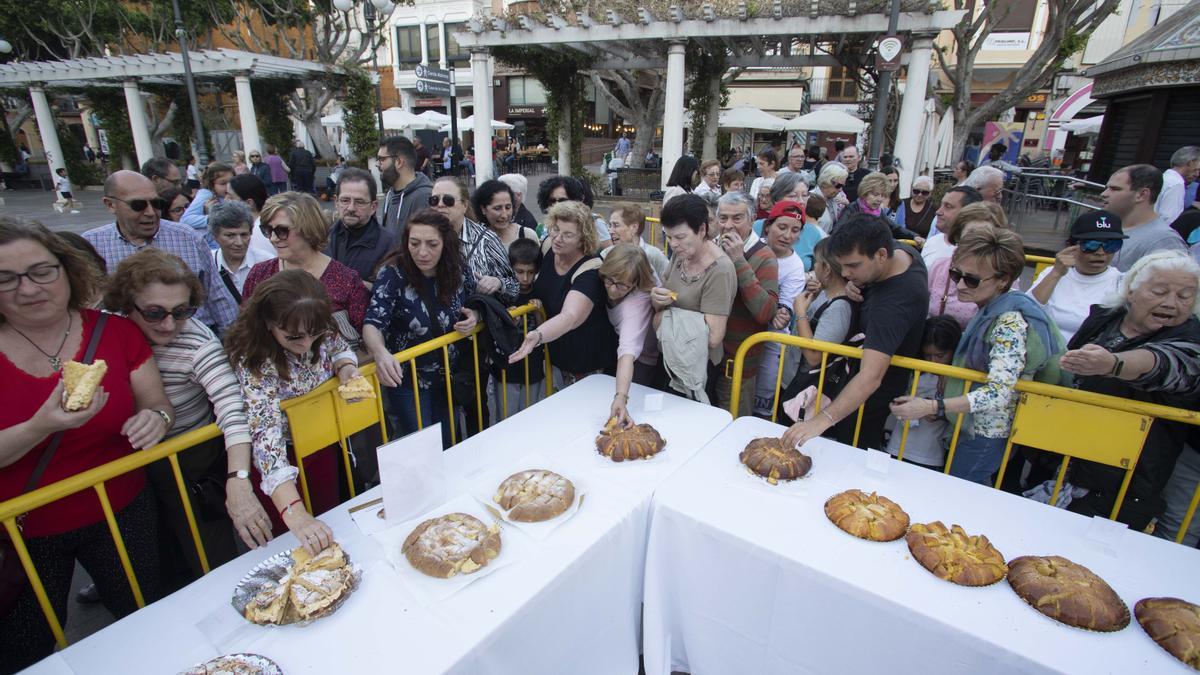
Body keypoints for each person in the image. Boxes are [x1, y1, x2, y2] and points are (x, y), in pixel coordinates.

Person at [0, 218, 171, 671]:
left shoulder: (115, 332)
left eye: (41, 270)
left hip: (121, 511)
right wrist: (40, 426)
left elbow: (157, 403)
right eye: (6, 277)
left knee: (142, 618)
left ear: (66, 270)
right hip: (21, 532)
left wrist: (155, 420)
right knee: (26, 647)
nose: (28, 288)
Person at [102, 249, 268, 584]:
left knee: (209, 555)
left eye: (182, 311)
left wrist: (238, 480)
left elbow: (233, 408)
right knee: (151, 558)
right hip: (125, 464)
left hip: (188, 462)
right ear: (125, 302)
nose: (169, 324)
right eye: (153, 313)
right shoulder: (107, 328)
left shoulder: (198, 344)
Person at [892, 228, 1065, 485]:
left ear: (1003, 280)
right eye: (956, 274)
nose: (960, 285)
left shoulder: (1009, 322)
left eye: (971, 280)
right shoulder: (991, 310)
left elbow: (998, 392)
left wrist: (932, 406)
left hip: (985, 434)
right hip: (971, 427)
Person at [1057, 250, 1200, 535]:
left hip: (1125, 479)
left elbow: (1166, 363)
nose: (1171, 303)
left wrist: (1113, 363)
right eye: (1160, 291)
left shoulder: (1190, 338)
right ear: (1132, 290)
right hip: (1066, 456)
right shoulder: (1105, 317)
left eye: (1185, 296)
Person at [226, 270, 362, 546]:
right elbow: (266, 435)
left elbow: (339, 348)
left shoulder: (320, 325)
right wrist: (294, 512)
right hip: (281, 457)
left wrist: (346, 367)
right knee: (293, 539)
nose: (306, 344)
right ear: (267, 323)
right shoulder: (255, 360)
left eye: (313, 334)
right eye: (293, 337)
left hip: (320, 442)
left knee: (330, 519)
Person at [782, 214, 929, 451]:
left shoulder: (894, 305)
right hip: (848, 385)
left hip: (866, 401)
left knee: (852, 455)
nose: (846, 273)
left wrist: (820, 422)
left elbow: (870, 376)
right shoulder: (897, 253)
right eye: (842, 267)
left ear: (881, 255)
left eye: (853, 266)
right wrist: (858, 281)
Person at [364, 209, 480, 448]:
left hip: (448, 375)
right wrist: (380, 352)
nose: (422, 252)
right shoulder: (392, 273)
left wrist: (475, 316)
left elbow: (475, 300)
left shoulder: (458, 267)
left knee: (449, 443)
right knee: (422, 448)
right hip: (409, 381)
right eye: (414, 243)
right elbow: (373, 322)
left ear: (445, 244)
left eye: (432, 244)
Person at [84, 171, 239, 334]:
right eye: (138, 205)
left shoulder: (188, 237)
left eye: (157, 204)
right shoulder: (92, 244)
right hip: (125, 345)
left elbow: (218, 297)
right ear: (110, 204)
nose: (150, 212)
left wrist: (232, 343)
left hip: (193, 340)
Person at [507, 201, 616, 388]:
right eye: (555, 229)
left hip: (587, 361)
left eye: (568, 235)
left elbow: (570, 316)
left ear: (583, 239)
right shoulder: (548, 246)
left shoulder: (590, 268)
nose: (558, 238)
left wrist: (537, 335)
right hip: (556, 351)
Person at [244, 192, 369, 343]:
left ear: (308, 229)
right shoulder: (259, 274)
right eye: (267, 230)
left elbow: (364, 341)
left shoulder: (347, 280)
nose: (273, 238)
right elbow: (247, 329)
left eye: (282, 231)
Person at [712, 191, 780, 415]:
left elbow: (765, 311)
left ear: (752, 220)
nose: (728, 225)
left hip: (737, 367)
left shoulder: (765, 256)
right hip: (705, 362)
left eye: (737, 218)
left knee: (732, 429)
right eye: (723, 218)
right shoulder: (709, 248)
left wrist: (739, 260)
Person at [1028, 210, 1126, 343]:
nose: (1101, 252)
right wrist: (1056, 273)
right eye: (1091, 245)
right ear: (1072, 246)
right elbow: (1027, 310)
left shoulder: (1122, 283)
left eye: (1111, 245)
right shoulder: (1052, 272)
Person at [753, 201, 808, 417]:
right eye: (782, 227)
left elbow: (786, 304)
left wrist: (782, 313)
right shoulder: (753, 248)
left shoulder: (795, 266)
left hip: (771, 341)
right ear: (768, 226)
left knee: (761, 404)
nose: (787, 235)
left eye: (795, 230)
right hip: (741, 332)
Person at [885, 315, 961, 470]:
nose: (933, 362)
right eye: (928, 355)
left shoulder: (957, 379)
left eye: (940, 356)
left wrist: (936, 410)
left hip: (930, 455)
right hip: (896, 447)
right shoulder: (914, 371)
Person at [597, 244, 660, 427]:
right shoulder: (615, 269)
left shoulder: (635, 306)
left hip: (642, 360)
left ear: (636, 283)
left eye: (622, 285)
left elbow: (627, 354)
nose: (613, 290)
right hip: (619, 348)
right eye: (609, 280)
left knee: (639, 414)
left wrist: (621, 397)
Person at [429, 176, 518, 304]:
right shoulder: (422, 236)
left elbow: (514, 288)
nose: (440, 205)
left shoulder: (487, 240)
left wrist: (498, 283)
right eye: (434, 200)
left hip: (476, 321)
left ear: (464, 205)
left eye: (448, 200)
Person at [926, 201, 1009, 328]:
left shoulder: (1001, 276)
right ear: (959, 236)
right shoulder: (940, 267)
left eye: (985, 236)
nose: (978, 243)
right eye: (972, 235)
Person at [490, 238, 546, 423]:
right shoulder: (504, 293)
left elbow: (543, 327)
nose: (525, 278)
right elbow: (497, 330)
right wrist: (508, 319)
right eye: (520, 272)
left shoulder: (539, 290)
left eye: (530, 272)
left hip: (533, 362)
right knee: (506, 417)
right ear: (511, 268)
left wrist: (538, 311)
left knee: (531, 415)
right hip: (508, 364)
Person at [1104, 164, 1187, 271]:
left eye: (1115, 189)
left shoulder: (1164, 241)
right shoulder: (1104, 225)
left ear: (1142, 194)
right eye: (1106, 188)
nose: (1104, 194)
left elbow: (1170, 285)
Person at [325, 167, 395, 285]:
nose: (351, 208)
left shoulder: (390, 245)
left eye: (359, 202)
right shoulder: (323, 238)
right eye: (345, 200)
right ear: (336, 202)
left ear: (373, 206)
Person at [210, 201, 273, 304]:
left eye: (244, 235)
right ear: (215, 236)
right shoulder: (208, 264)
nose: (239, 243)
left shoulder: (267, 262)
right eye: (230, 236)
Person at [377, 135, 434, 238]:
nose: (378, 164)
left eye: (382, 159)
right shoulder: (390, 195)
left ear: (399, 162)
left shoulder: (423, 197)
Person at [834, 172, 918, 240]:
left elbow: (895, 228)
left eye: (882, 195)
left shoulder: (879, 212)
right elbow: (836, 233)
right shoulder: (851, 209)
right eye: (875, 194)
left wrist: (915, 236)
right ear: (864, 193)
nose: (879, 199)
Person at [536, 175, 612, 248]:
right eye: (552, 200)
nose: (557, 205)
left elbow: (609, 253)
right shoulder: (548, 225)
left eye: (563, 200)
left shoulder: (594, 223)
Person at [604, 202, 669, 282]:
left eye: (616, 225)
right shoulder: (606, 254)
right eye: (610, 225)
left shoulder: (654, 256)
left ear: (634, 227)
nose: (610, 231)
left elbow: (669, 286)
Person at [923, 185, 984, 267]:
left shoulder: (979, 252)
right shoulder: (932, 242)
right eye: (941, 205)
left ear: (968, 212)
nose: (938, 212)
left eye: (948, 206)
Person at [180, 161, 234, 244]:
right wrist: (211, 218)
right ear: (211, 184)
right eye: (223, 183)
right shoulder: (206, 195)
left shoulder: (228, 195)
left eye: (232, 182)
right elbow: (185, 219)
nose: (228, 186)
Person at [473, 179, 536, 250]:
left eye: (508, 207)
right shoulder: (474, 239)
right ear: (483, 209)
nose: (504, 215)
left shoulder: (527, 235)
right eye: (497, 208)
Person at [226, 173, 278, 259]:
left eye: (230, 197)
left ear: (249, 203)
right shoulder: (257, 225)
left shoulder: (259, 231)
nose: (225, 200)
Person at [1157, 147, 1200, 224]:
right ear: (1191, 163)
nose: (1197, 174)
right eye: (1197, 169)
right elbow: (1169, 219)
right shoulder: (1176, 184)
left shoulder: (1163, 178)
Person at [815, 163, 850, 230]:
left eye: (842, 186)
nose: (840, 190)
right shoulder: (810, 199)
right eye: (838, 186)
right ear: (826, 181)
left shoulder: (833, 199)